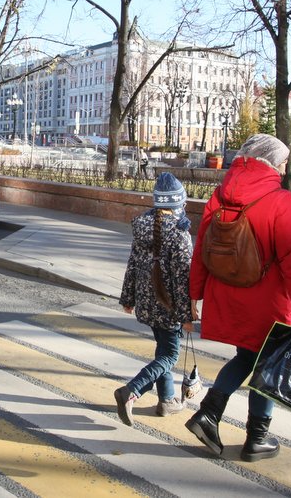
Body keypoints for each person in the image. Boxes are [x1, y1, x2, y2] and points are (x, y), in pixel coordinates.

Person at [185, 133, 291, 461]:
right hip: (268, 302)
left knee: (246, 357)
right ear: (271, 162)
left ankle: (210, 414)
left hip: (227, 295)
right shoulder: (281, 200)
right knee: (268, 364)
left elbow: (201, 248)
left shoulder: (220, 195)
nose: (286, 168)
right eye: (284, 161)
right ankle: (256, 438)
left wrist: (194, 295)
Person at [114, 173, 195, 425]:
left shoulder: (142, 226)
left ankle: (167, 400)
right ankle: (132, 390)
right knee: (170, 355)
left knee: (163, 351)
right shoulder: (180, 233)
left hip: (147, 303)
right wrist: (187, 315)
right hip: (169, 305)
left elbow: (132, 265)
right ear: (179, 203)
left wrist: (128, 298)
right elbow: (183, 280)